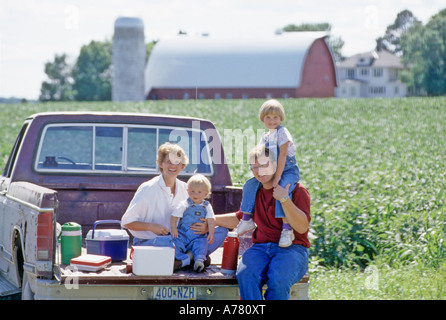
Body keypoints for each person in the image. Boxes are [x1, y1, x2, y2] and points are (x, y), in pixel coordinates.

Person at [195, 144, 310, 300]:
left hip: (292, 249)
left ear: (276, 165)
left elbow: (302, 227)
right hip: (261, 248)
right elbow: (239, 218)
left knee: (278, 279)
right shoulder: (255, 190)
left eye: (263, 165)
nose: (258, 171)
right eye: (254, 167)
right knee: (245, 275)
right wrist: (211, 220)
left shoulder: (296, 190)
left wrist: (285, 199)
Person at [121, 142, 226, 271]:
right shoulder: (148, 188)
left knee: (222, 231)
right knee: (167, 242)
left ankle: (185, 258)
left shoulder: (186, 189)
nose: (172, 166)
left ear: (182, 166)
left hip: (181, 239)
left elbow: (198, 214)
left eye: (177, 162)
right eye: (168, 161)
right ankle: (192, 258)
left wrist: (204, 228)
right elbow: (126, 222)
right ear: (160, 163)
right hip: (153, 242)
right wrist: (151, 227)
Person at [237, 99, 300, 247]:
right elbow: (260, 153)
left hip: (287, 170)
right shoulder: (265, 137)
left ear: (281, 118)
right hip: (270, 170)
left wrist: (277, 177)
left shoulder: (282, 133)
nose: (272, 121)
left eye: (275, 117)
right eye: (268, 118)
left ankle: (286, 229)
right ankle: (246, 218)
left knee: (282, 189)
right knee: (250, 185)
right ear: (262, 119)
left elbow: (283, 155)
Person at [171, 174, 216, 272]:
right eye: (192, 191)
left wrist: (211, 233)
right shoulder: (185, 204)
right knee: (176, 242)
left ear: (206, 193)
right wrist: (174, 229)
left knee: (202, 244)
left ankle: (199, 260)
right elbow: (175, 216)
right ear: (187, 191)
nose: (195, 195)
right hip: (183, 232)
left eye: (199, 192)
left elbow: (211, 220)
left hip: (198, 235)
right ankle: (179, 258)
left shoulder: (207, 206)